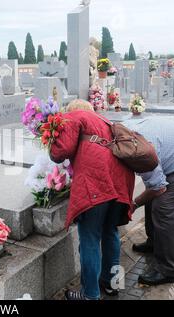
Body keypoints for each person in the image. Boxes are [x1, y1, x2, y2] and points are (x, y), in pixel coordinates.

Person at [50, 108, 135, 300]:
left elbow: (60, 151)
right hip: (120, 181)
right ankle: (113, 284)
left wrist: (50, 139)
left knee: (90, 239)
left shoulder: (74, 114)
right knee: (111, 232)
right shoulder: (102, 119)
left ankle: (90, 294)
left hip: (98, 183)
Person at [123, 118, 174, 286]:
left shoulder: (140, 153)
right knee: (153, 197)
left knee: (164, 208)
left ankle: (169, 270)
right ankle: (154, 243)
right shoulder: (123, 131)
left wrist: (134, 204)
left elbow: (158, 188)